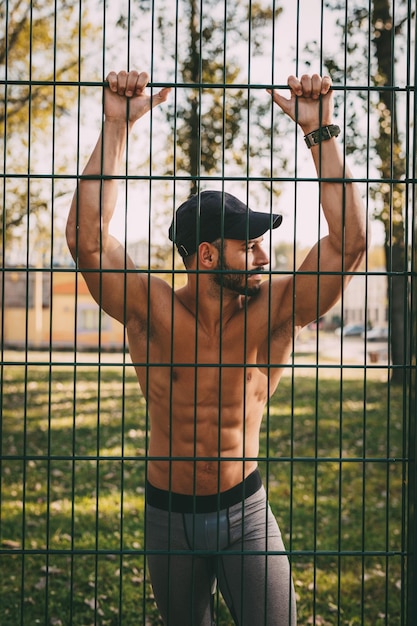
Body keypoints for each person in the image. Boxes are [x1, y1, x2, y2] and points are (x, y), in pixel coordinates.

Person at [66, 69, 367, 626]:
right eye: (249, 245)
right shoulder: (152, 313)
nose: (263, 256)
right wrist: (115, 127)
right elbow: (87, 241)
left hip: (245, 512)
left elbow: (350, 243)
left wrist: (320, 133)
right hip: (170, 516)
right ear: (206, 257)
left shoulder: (272, 313)